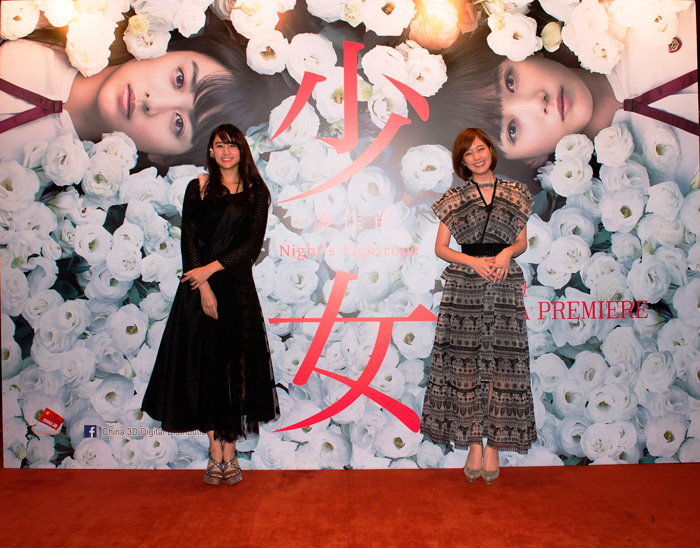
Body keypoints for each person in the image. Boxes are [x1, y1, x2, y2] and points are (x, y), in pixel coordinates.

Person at [420, 2, 698, 197]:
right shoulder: (649, 193)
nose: (536, 102)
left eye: (510, 81)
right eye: (512, 130)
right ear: (531, 161)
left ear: (522, 49)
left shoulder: (633, 13)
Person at [141, 124, 279, 485]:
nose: (226, 151)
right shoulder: (197, 188)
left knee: (234, 374)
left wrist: (209, 270)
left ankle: (229, 453)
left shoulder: (257, 192)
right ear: (211, 151)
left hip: (237, 290)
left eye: (233, 145)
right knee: (206, 372)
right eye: (220, 145)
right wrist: (202, 285)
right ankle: (213, 452)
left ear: (242, 150)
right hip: (196, 292)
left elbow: (251, 248)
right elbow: (188, 241)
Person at [420, 128, 536, 484]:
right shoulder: (454, 198)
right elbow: (441, 248)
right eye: (468, 153)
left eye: (481, 149)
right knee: (465, 366)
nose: (477, 157)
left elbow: (521, 242)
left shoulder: (516, 193)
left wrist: (506, 252)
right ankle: (473, 442)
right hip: (464, 287)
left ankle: (494, 445)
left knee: (503, 366)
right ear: (462, 162)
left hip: (503, 282)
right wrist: (472, 261)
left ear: (490, 151)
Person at [0, 25, 281, 168]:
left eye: (179, 124)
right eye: (179, 79)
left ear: (164, 157)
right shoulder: (41, 22)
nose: (153, 103)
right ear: (168, 48)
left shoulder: (42, 202)